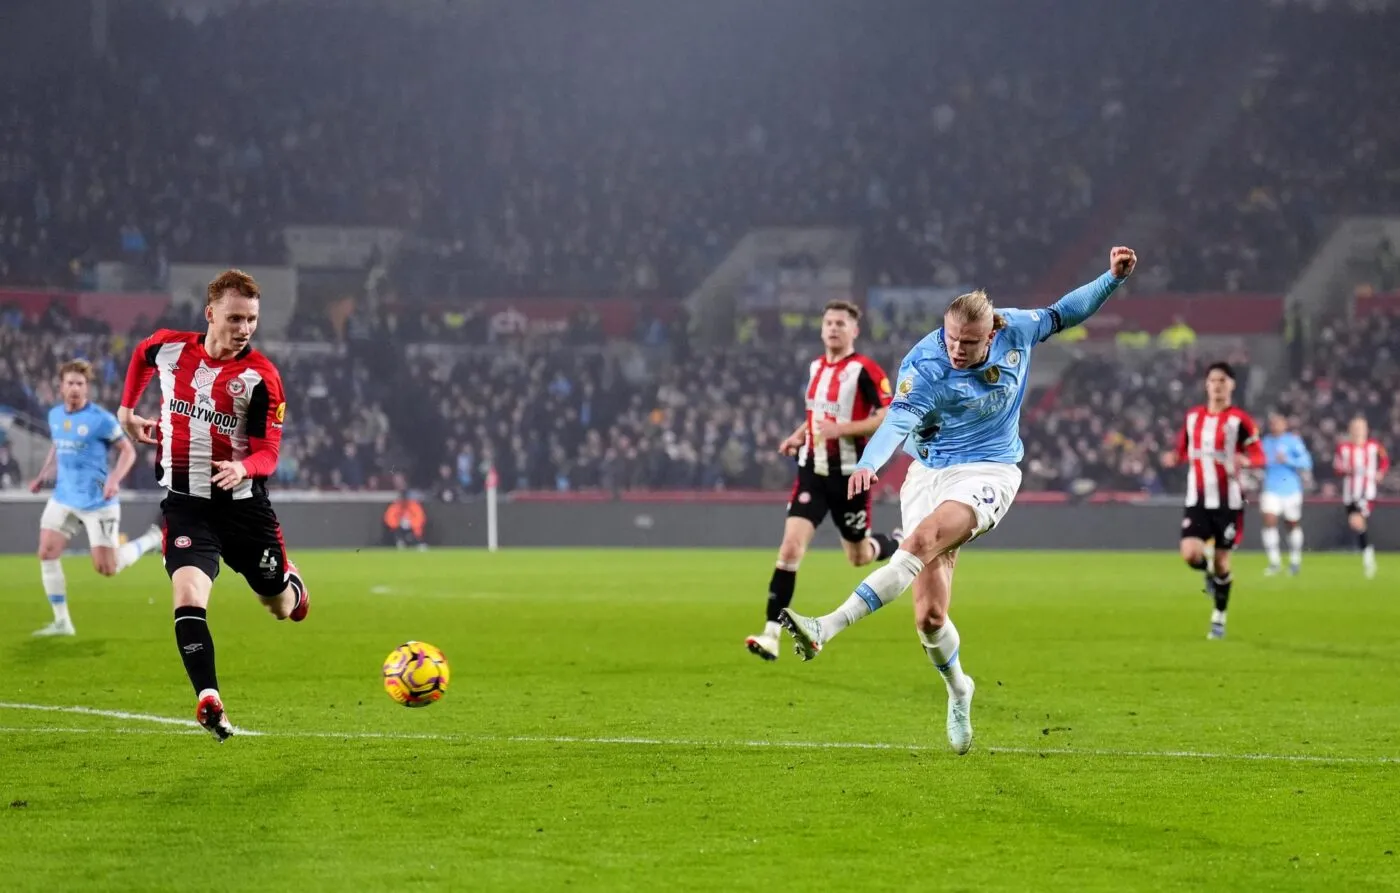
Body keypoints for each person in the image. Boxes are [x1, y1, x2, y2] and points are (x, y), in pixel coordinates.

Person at [778, 247, 1138, 754]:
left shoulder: (1016, 329)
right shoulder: (923, 364)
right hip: (929, 472)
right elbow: (898, 421)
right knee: (928, 617)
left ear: (991, 333)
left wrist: (1111, 279)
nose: (957, 350)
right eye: (951, 339)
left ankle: (825, 627)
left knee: (921, 539)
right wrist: (869, 464)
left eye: (968, 342)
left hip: (989, 469)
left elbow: (1065, 312)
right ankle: (959, 689)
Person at [117, 269, 309, 742]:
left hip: (244, 511)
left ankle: (293, 586)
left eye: (252, 319)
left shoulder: (261, 377)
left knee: (278, 604)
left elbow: (269, 452)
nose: (244, 328)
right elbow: (141, 355)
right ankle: (209, 698)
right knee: (187, 596)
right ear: (210, 314)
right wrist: (126, 409)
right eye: (235, 317)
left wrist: (246, 468)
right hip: (185, 507)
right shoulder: (170, 348)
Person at [745, 299, 902, 661]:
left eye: (840, 324)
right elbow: (816, 415)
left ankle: (894, 542)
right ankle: (771, 634)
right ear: (821, 328)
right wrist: (799, 435)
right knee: (789, 550)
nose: (833, 328)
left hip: (849, 479)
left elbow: (887, 415)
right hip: (812, 474)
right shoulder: (816, 366)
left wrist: (840, 430)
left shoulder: (865, 370)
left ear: (854, 330)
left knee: (859, 557)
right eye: (829, 322)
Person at [27, 359, 163, 637]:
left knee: (107, 568)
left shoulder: (101, 419)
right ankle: (62, 622)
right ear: (61, 387)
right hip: (63, 496)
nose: (75, 388)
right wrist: (42, 475)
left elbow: (129, 451)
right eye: (70, 383)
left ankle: (153, 538)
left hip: (97, 501)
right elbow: (57, 445)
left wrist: (114, 479)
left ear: (86, 388)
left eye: (80, 383)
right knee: (46, 552)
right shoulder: (55, 416)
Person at [1161, 362, 1264, 640]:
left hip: (1229, 503)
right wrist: (1173, 458)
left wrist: (1244, 459)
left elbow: (1259, 456)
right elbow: (1182, 450)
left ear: (1231, 385)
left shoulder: (1240, 420)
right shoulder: (1193, 417)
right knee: (1189, 553)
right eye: (1213, 380)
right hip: (1198, 499)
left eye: (1222, 380)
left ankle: (1219, 617)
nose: (1217, 385)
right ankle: (1206, 574)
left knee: (1222, 563)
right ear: (1206, 385)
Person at [1334, 415, 1389, 579]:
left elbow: (1385, 460)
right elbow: (1337, 469)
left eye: (1361, 428)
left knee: (1356, 521)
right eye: (1355, 428)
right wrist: (1347, 471)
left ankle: (1368, 559)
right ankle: (1368, 555)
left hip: (1367, 493)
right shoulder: (1343, 448)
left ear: (1366, 430)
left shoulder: (1374, 446)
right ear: (1350, 430)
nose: (1358, 431)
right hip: (1350, 495)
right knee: (1357, 525)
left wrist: (1381, 473)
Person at [1258, 410, 1312, 576]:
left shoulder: (1293, 441)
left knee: (1291, 524)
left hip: (1291, 489)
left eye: (1278, 422)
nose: (1275, 425)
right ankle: (1274, 562)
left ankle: (1295, 560)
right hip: (1271, 488)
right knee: (1269, 519)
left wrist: (1288, 460)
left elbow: (1307, 462)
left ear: (1285, 424)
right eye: (1272, 423)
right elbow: (1256, 459)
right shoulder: (1264, 442)